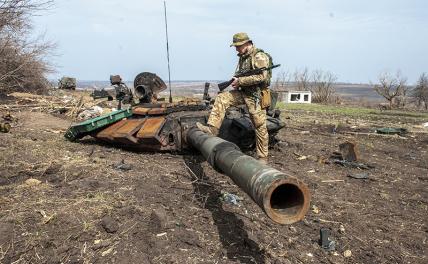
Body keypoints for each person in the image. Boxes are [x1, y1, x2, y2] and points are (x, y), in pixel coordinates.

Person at [197, 32, 273, 164]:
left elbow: (262, 77)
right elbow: (240, 75)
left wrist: (241, 81)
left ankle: (262, 158)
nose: (236, 49)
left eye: (238, 46)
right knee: (222, 98)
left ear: (247, 43)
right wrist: (236, 82)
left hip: (256, 96)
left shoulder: (259, 56)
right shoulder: (243, 57)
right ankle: (212, 129)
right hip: (243, 92)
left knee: (259, 126)